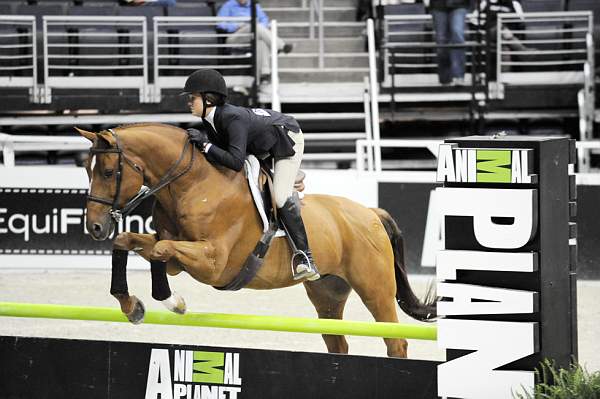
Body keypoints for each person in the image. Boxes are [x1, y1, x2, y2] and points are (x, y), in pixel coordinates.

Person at [183, 69, 319, 281]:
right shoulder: (211, 120)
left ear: (208, 99)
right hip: (260, 144)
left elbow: (235, 162)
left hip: (287, 139)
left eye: (193, 98)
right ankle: (285, 178)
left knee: (281, 197)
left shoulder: (231, 118)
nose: (189, 102)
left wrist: (205, 144)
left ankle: (305, 257)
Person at [216, 0, 293, 82]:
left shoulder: (254, 5)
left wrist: (257, 28)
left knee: (261, 41)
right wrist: (237, 25)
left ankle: (264, 73)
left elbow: (264, 19)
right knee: (255, 26)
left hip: (253, 35)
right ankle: (280, 46)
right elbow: (219, 23)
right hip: (235, 37)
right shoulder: (229, 5)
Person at [427, 0, 471, 86]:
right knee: (441, 40)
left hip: (459, 4)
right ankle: (445, 77)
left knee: (457, 33)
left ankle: (458, 76)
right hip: (438, 6)